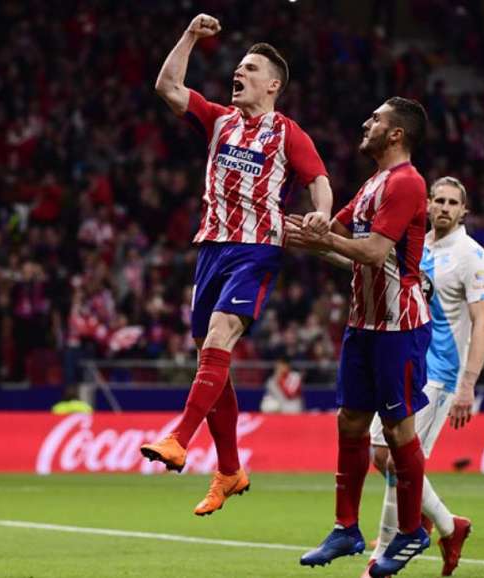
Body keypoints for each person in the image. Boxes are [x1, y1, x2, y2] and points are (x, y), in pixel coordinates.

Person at [139, 13, 333, 517]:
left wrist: (321, 214)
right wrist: (188, 34)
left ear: (272, 85)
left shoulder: (289, 133)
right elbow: (166, 85)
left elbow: (319, 179)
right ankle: (229, 469)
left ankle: (180, 438)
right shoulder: (218, 118)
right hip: (211, 249)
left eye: (249, 68)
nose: (238, 73)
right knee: (210, 355)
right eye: (238, 66)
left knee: (222, 334)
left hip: (256, 249)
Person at [287, 97, 431, 577]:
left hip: (399, 327)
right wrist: (292, 230)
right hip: (362, 325)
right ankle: (346, 528)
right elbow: (338, 239)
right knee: (350, 423)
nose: (365, 123)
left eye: (376, 119)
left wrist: (324, 239)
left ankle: (412, 530)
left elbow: (369, 252)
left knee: (397, 431)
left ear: (396, 134)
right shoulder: (373, 185)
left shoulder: (408, 183)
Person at [361, 176, 484, 578]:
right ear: (428, 204)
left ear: (464, 211)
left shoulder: (471, 255)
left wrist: (467, 386)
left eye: (454, 202)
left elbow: (483, 322)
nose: (445, 208)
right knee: (380, 455)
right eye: (439, 200)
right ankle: (449, 526)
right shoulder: (418, 245)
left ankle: (381, 558)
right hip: (406, 366)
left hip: (439, 376)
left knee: (401, 460)